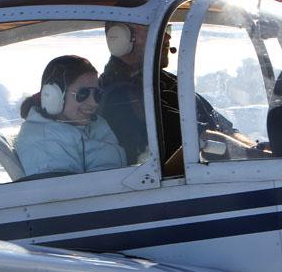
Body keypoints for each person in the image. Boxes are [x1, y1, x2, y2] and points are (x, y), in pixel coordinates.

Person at [100, 22, 256, 167]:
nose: (167, 37)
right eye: (156, 30)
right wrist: (257, 156)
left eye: (166, 28)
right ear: (120, 38)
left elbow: (224, 129)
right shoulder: (122, 96)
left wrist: (258, 149)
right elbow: (199, 138)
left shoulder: (168, 81)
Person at [16, 55, 126, 178]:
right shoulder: (45, 142)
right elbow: (64, 194)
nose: (93, 103)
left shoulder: (91, 124)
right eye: (82, 94)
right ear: (54, 95)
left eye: (96, 94)